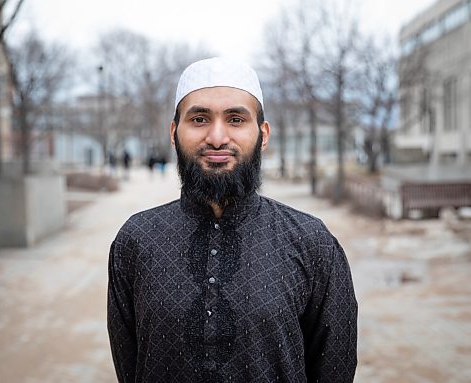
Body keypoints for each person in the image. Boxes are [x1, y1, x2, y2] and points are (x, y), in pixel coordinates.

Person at [108, 57, 357, 383]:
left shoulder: (313, 243)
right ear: (174, 132)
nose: (216, 137)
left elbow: (334, 368)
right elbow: (130, 367)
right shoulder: (136, 240)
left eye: (236, 119)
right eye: (199, 119)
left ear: (263, 135)